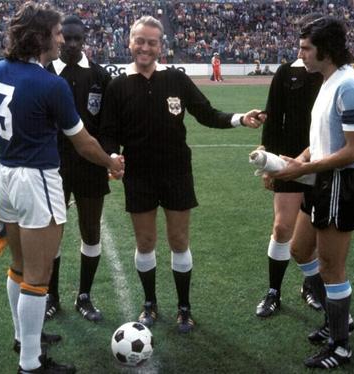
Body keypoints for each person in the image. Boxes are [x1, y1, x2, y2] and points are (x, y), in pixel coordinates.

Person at [0, 2, 123, 373]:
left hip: (5, 177)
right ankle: (31, 364)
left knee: (19, 268)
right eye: (57, 33)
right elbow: (84, 142)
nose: (61, 40)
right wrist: (112, 162)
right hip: (37, 180)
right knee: (37, 278)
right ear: (40, 37)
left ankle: (25, 337)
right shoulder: (50, 84)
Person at [100, 16, 262, 334]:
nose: (145, 47)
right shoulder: (117, 86)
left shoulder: (176, 79)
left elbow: (207, 113)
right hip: (139, 176)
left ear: (162, 46)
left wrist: (242, 118)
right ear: (129, 43)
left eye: (152, 42)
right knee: (145, 242)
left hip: (176, 172)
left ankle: (184, 308)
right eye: (140, 40)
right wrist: (112, 156)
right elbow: (108, 132)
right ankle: (149, 304)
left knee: (178, 240)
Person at [269, 16, 354, 369]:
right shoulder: (327, 81)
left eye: (306, 49)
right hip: (322, 180)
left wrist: (304, 169)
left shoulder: (348, 86)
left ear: (325, 51)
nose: (299, 55)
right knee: (299, 249)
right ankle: (335, 316)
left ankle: (341, 345)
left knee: (332, 267)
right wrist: (295, 161)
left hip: (341, 184)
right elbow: (321, 142)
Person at [44, 15, 112, 323]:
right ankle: (51, 295)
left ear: (84, 40)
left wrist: (110, 156)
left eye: (77, 39)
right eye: (66, 38)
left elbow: (110, 124)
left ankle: (84, 296)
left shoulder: (99, 76)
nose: (71, 44)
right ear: (58, 38)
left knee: (91, 231)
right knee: (51, 234)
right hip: (52, 168)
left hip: (90, 167)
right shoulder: (44, 74)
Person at [254, 51, 324, 318]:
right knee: (282, 227)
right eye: (301, 44)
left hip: (322, 161)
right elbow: (272, 117)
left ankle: (309, 285)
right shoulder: (286, 72)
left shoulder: (330, 73)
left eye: (308, 45)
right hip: (288, 161)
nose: (303, 51)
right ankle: (273, 292)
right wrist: (269, 164)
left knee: (315, 231)